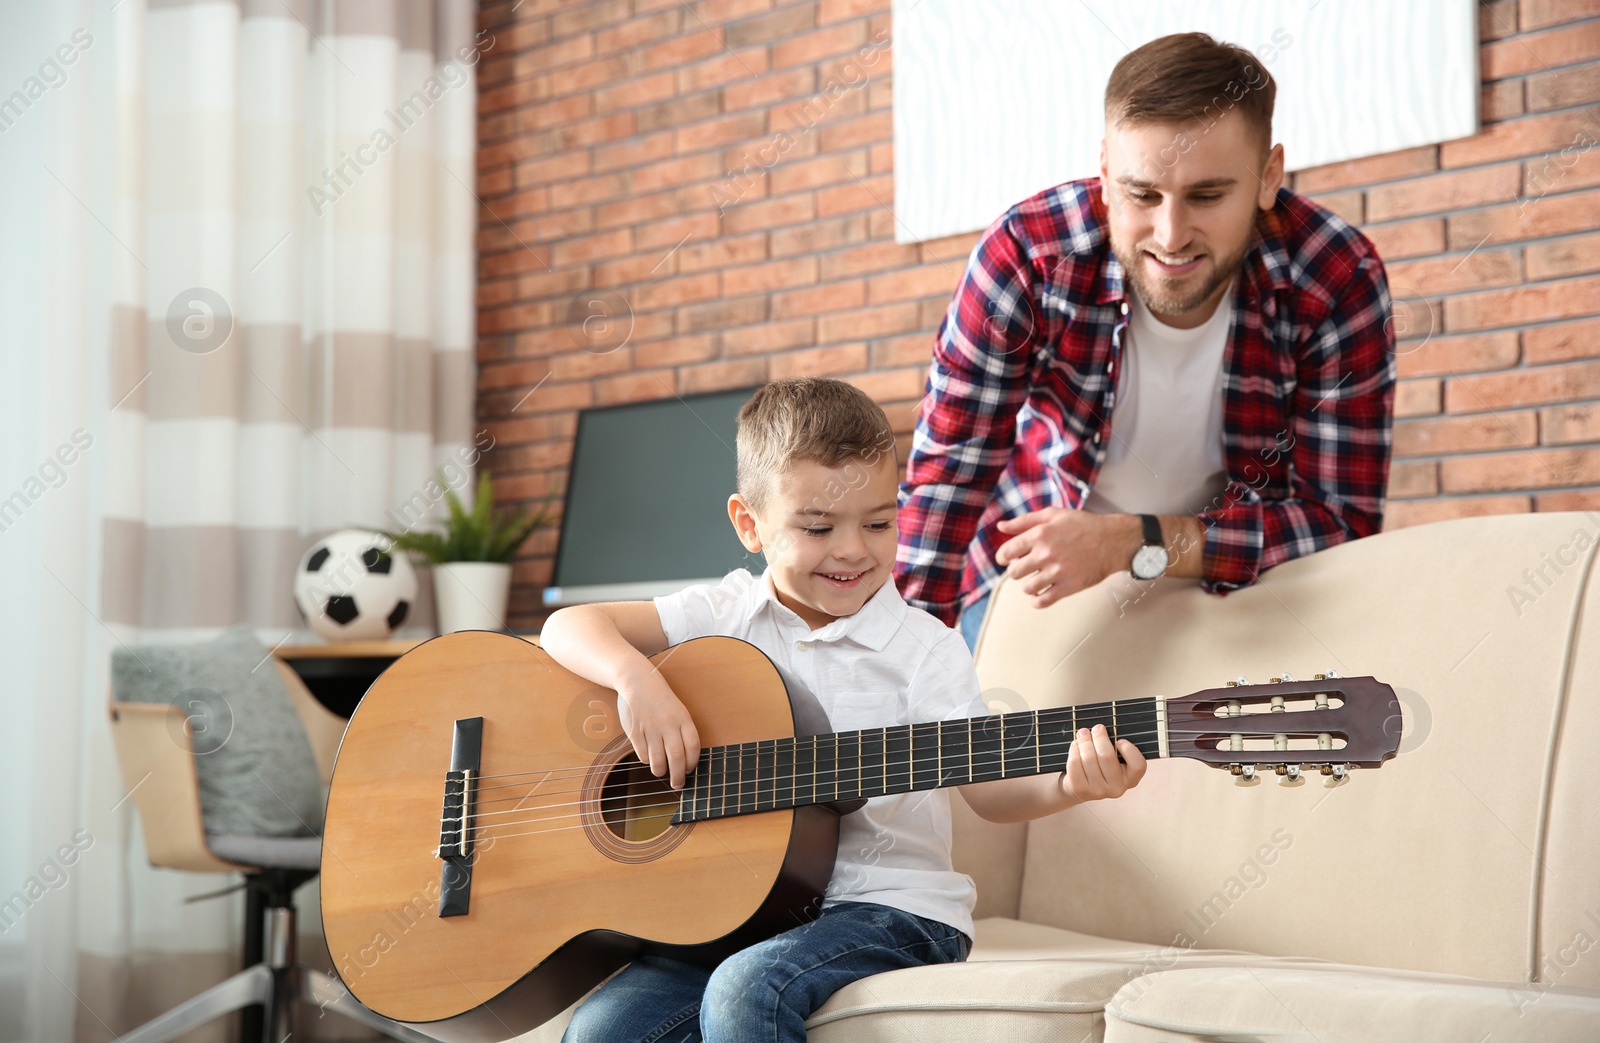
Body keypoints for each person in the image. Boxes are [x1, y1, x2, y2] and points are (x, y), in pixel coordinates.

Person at [538, 377, 1147, 1043]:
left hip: (888, 907)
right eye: (819, 526)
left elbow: (989, 788)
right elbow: (568, 626)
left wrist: (1068, 781)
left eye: (879, 522)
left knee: (747, 990)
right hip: (736, 916)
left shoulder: (923, 648)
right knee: (601, 1028)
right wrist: (634, 679)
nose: (854, 549)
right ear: (750, 524)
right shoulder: (723, 614)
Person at [893, 33, 1398, 650]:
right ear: (1105, 174)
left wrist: (1136, 543)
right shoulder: (1028, 257)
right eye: (1142, 194)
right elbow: (947, 485)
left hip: (1234, 579)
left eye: (1207, 195)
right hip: (1040, 574)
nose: (1171, 234)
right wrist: (903, 674)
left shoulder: (1336, 276)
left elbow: (1342, 524)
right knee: (1029, 739)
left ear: (1268, 177)